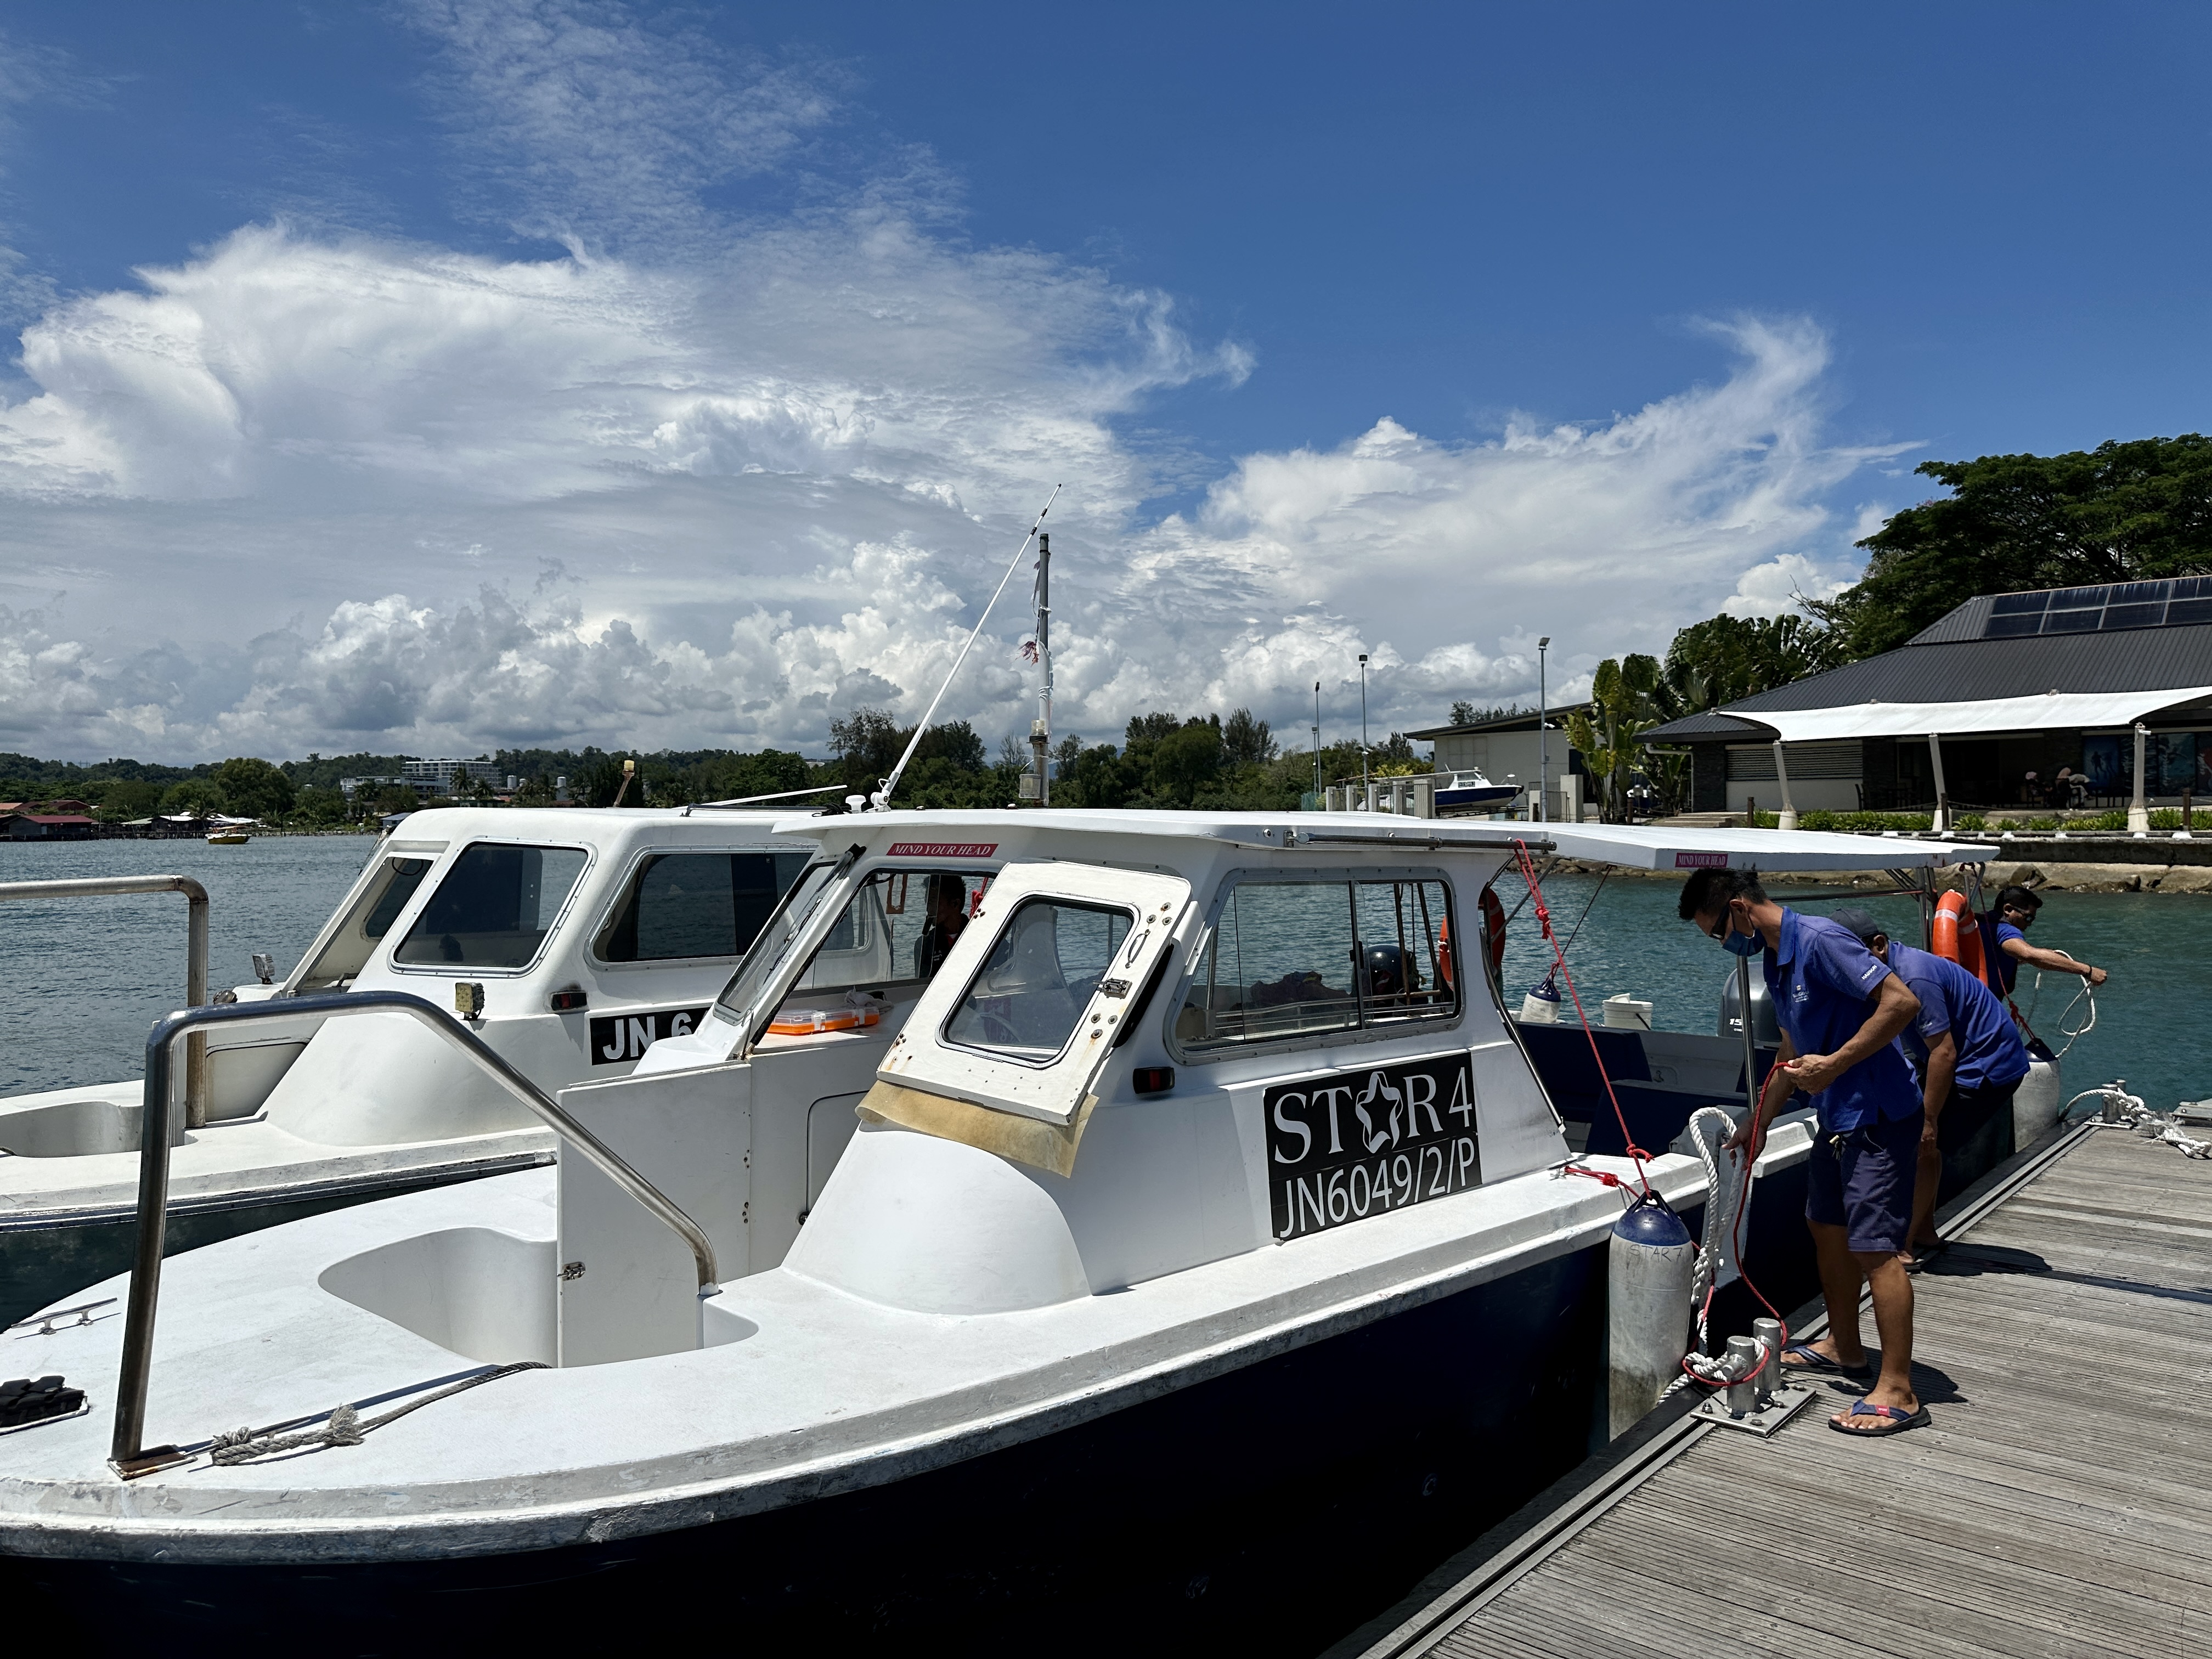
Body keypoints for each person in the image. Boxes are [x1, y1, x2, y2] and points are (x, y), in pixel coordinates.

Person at [1680, 867, 1931, 1437]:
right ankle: (1845, 1345)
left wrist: (1835, 1064)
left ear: (1739, 908)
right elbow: (1791, 1051)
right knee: (1825, 1227)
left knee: (1874, 1249)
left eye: (1718, 932)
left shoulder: (1819, 941)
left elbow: (1902, 1002)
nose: (1721, 945)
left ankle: (1899, 1389)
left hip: (1879, 1113)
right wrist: (1759, 1122)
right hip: (1838, 1116)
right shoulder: (1777, 957)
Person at [1831, 908, 2030, 1270]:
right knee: (1927, 1146)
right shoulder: (1891, 968)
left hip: (1986, 1066)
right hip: (1964, 1058)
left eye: (1851, 958)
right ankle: (1923, 1231)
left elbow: (1944, 1053)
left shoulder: (1914, 978)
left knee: (1919, 1145)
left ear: (1879, 946)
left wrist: (1929, 1119)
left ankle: (1903, 1244)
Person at [1988, 885, 2108, 997]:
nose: (2030, 924)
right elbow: (2029, 954)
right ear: (2008, 910)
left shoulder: (1983, 924)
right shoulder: (2005, 929)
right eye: (2028, 918)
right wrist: (2088, 971)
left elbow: (1994, 956)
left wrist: (2049, 957)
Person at [913, 873, 971, 979]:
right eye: (927, 902)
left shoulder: (982, 937)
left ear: (955, 904)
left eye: (932, 901)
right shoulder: (924, 944)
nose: (928, 909)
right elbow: (922, 984)